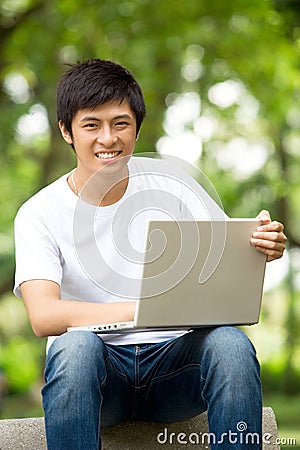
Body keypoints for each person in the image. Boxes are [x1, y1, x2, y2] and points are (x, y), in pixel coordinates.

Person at [14, 59, 287, 450]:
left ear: (137, 127)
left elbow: (227, 260)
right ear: (66, 130)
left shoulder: (173, 188)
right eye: (92, 125)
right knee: (73, 347)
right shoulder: (40, 212)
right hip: (99, 374)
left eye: (120, 123)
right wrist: (146, 307)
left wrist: (264, 246)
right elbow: (44, 316)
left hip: (176, 372)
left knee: (230, 343)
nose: (108, 138)